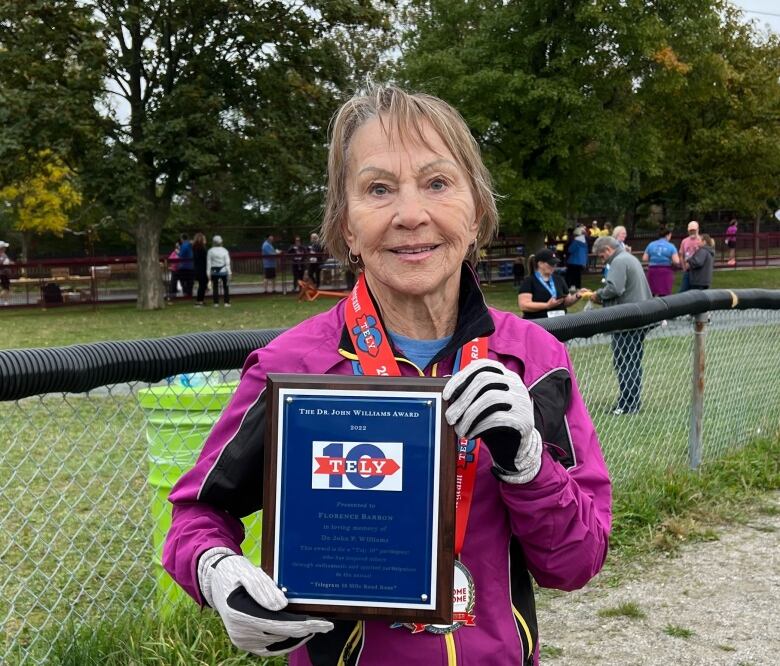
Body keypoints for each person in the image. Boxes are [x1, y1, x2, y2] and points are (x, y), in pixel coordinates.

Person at [163, 85, 611, 666]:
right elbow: (197, 514)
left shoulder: (536, 360)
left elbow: (575, 564)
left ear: (475, 212)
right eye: (378, 189)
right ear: (346, 226)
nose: (409, 214)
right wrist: (216, 571)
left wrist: (528, 467)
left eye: (437, 183)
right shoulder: (291, 368)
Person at [589, 236, 652, 415]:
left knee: (624, 362)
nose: (603, 259)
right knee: (632, 361)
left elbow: (615, 288)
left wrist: (598, 295)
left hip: (626, 321)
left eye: (602, 256)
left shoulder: (618, 261)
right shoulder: (630, 258)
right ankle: (631, 400)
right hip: (638, 318)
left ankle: (627, 404)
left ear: (608, 249)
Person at [518, 248, 583, 320]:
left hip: (560, 322)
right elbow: (524, 305)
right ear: (540, 264)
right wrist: (547, 305)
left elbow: (566, 302)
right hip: (539, 323)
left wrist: (577, 295)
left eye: (555, 263)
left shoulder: (559, 279)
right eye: (551, 264)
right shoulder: (529, 281)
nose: (554, 266)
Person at [642, 227, 680, 296]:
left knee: (651, 292)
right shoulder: (671, 246)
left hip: (653, 271)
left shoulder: (651, 244)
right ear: (668, 235)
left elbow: (644, 258)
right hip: (665, 271)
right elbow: (676, 261)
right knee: (664, 294)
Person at [207, 234, 231, 307]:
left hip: (214, 272)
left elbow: (209, 263)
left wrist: (208, 274)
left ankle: (216, 303)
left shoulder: (210, 251)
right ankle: (226, 302)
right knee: (226, 287)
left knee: (215, 287)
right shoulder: (225, 250)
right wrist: (229, 273)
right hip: (224, 271)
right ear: (221, 242)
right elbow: (227, 263)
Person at [678, 221, 702, 292]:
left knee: (697, 292)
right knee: (683, 291)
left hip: (698, 270)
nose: (692, 232)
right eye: (691, 230)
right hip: (688, 270)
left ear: (697, 230)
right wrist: (683, 267)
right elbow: (681, 255)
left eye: (694, 230)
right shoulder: (684, 241)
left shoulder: (701, 241)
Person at [565, 224, 588, 288]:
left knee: (570, 277)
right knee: (577, 277)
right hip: (581, 262)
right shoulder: (584, 242)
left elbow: (570, 250)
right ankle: (578, 288)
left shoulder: (576, 241)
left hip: (573, 262)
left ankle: (570, 288)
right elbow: (586, 252)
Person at [176, 233, 194, 298]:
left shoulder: (184, 245)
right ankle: (189, 294)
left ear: (182, 238)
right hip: (191, 266)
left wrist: (177, 252)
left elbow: (181, 255)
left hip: (184, 266)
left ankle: (186, 295)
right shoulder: (190, 244)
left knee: (183, 281)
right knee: (190, 282)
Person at [193, 232, 209, 306]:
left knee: (202, 285)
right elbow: (205, 259)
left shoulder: (195, 248)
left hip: (197, 268)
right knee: (202, 285)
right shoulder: (202, 249)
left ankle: (200, 299)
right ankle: (200, 300)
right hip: (202, 269)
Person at [0, 240, 13, 306]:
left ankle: (6, 302)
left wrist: (11, 262)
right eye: (4, 247)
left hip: (5, 274)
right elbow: (4, 263)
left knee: (7, 288)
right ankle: (6, 301)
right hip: (3, 274)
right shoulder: (2, 255)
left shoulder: (4, 255)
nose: (5, 248)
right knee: (6, 288)